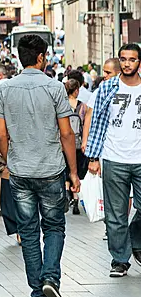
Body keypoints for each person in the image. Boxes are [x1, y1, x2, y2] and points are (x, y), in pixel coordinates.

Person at [0, 34, 78, 297]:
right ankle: (51, 278)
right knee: (54, 227)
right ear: (42, 57)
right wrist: (74, 172)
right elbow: (66, 132)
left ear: (21, 57)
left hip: (20, 171)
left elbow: (0, 133)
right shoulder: (54, 88)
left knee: (28, 233)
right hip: (51, 169)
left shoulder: (4, 89)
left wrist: (10, 160)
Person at [85, 44, 141, 278]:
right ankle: (120, 259)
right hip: (113, 157)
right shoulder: (107, 87)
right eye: (123, 59)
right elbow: (97, 122)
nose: (127, 63)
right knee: (115, 213)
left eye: (132, 59)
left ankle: (135, 239)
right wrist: (93, 156)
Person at [63, 79, 89, 215]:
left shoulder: (62, 105)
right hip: (78, 144)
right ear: (77, 90)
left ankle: (67, 193)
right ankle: (76, 199)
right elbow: (86, 125)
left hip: (65, 144)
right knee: (77, 171)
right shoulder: (83, 107)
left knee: (67, 169)